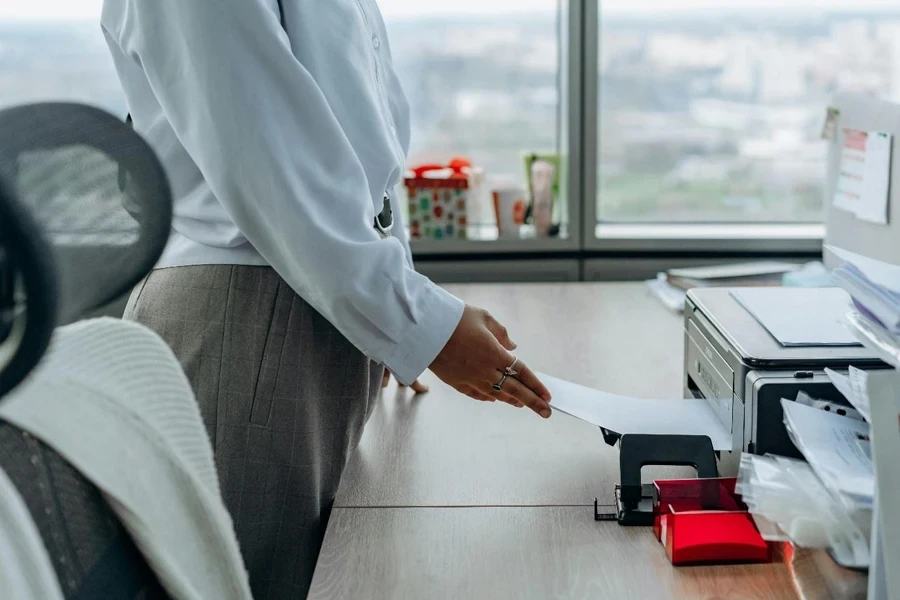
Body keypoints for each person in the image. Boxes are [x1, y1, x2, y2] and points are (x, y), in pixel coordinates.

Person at [100, 0, 553, 597]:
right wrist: (413, 322)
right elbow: (275, 171)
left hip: (301, 302)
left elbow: (361, 163)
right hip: (248, 318)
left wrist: (388, 323)